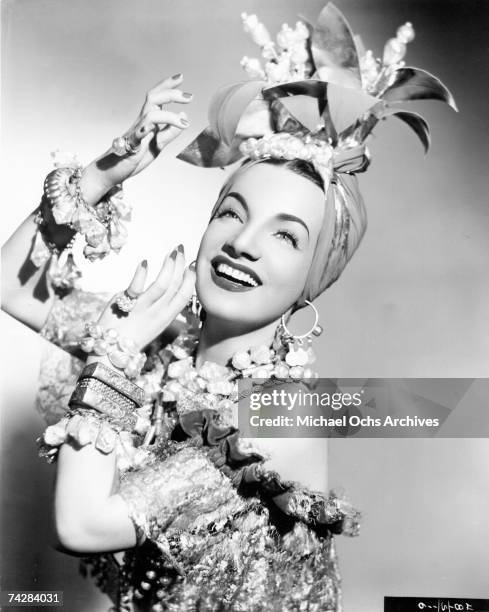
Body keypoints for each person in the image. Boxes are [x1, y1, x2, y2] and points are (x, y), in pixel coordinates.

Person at [1, 4, 455, 611]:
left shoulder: (281, 411)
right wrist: (107, 173)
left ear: (312, 281)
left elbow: (82, 527)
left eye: (286, 235)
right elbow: (13, 287)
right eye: (233, 213)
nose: (243, 243)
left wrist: (112, 355)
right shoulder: (165, 342)